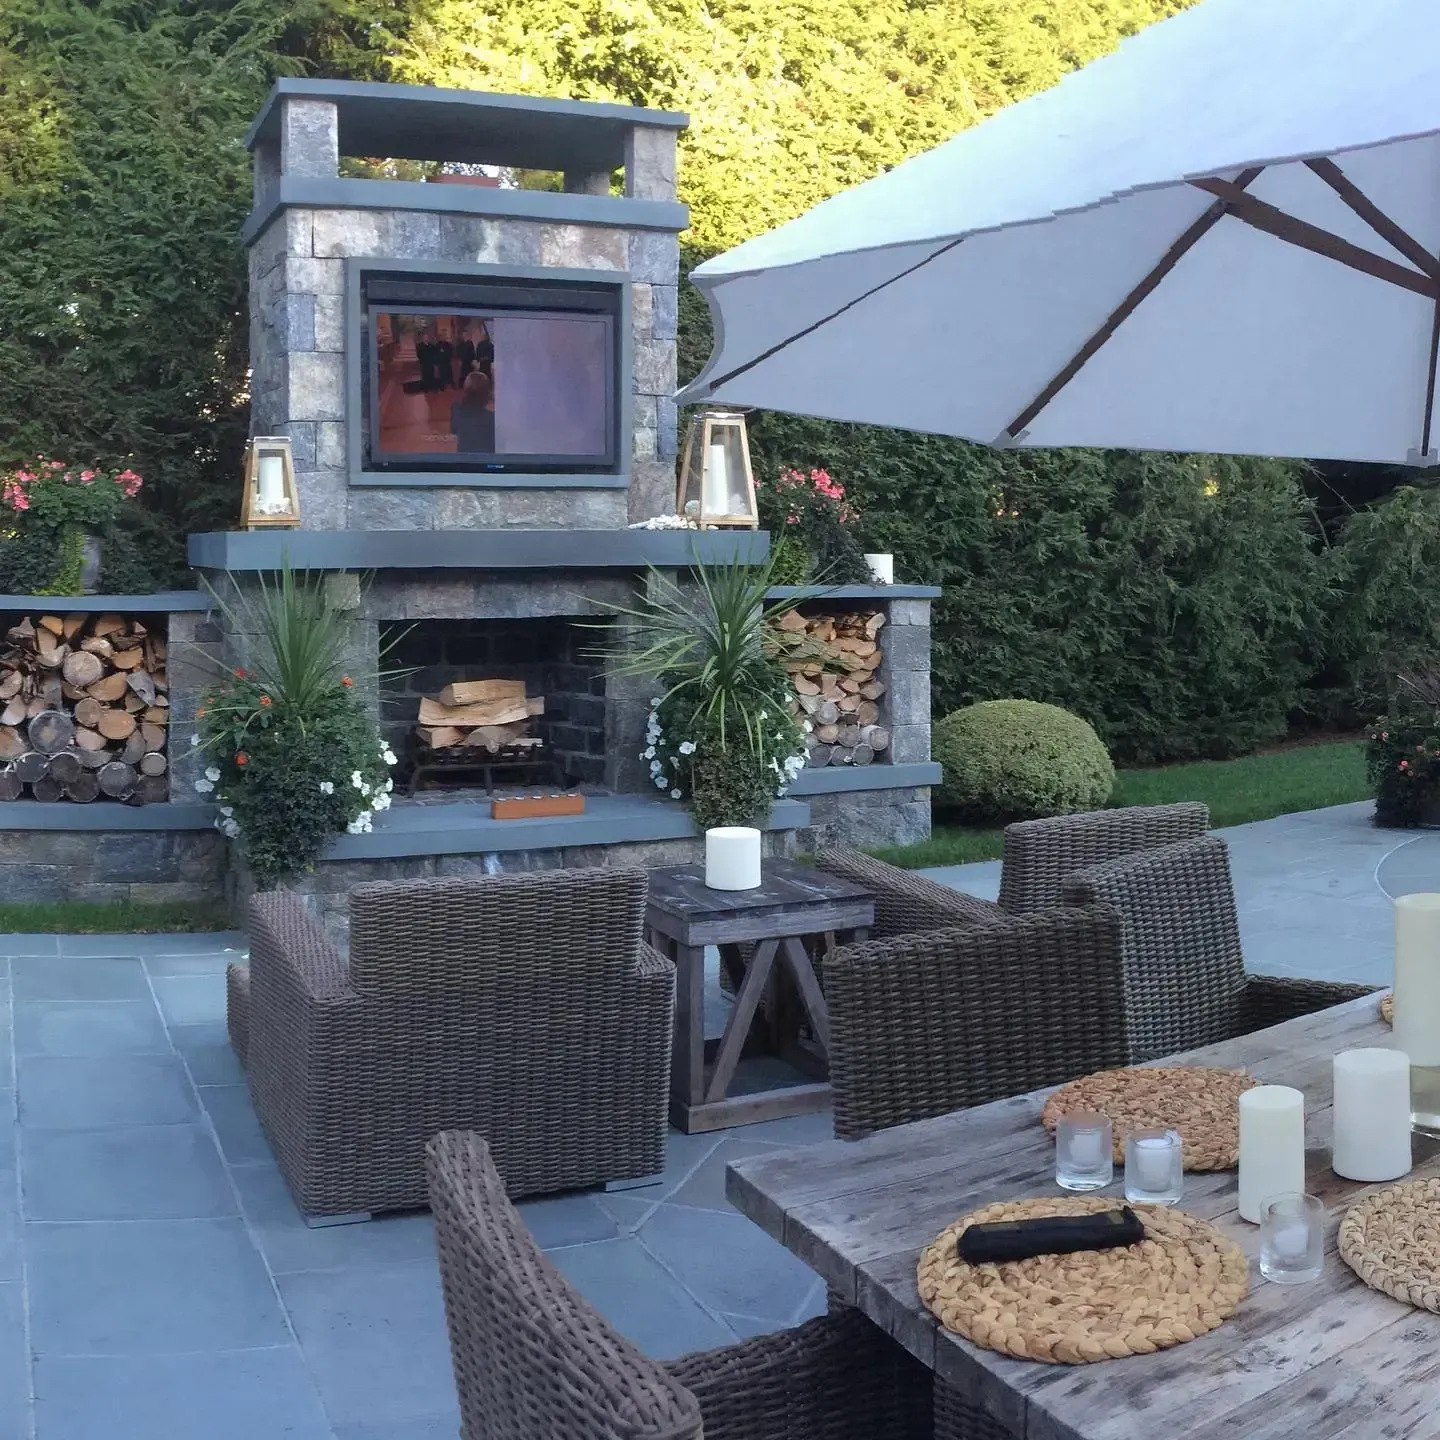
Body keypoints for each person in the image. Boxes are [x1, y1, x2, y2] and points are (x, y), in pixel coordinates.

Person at [450, 369, 496, 454]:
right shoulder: (494, 417)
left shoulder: (456, 409)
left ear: (465, 390)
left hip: (464, 461)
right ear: (487, 392)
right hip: (489, 461)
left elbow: (454, 431)